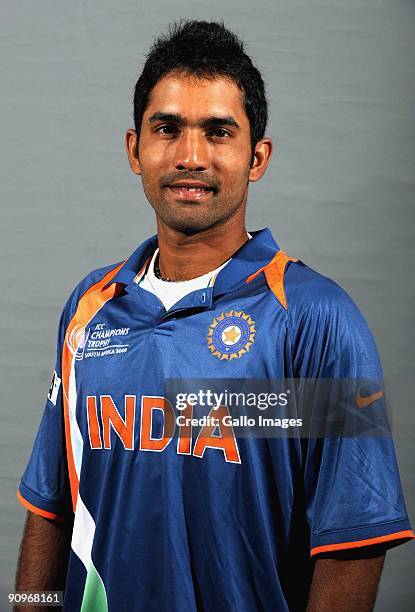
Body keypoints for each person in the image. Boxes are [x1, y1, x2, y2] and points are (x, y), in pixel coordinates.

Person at [15, 20, 413, 612]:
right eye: (167, 129)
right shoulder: (90, 309)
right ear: (134, 150)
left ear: (257, 157)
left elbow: (353, 541)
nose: (191, 155)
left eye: (218, 132)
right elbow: (51, 509)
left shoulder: (316, 318)